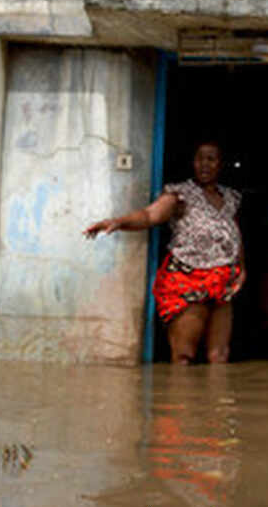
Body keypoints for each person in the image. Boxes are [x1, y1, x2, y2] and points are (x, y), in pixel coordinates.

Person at [84, 141, 245, 364]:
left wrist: (241, 268)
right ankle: (178, 396)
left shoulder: (231, 198)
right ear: (192, 162)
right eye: (200, 158)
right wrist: (118, 222)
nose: (204, 164)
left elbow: (233, 233)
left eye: (211, 159)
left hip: (223, 281)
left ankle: (214, 398)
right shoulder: (180, 194)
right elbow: (150, 216)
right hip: (187, 279)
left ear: (221, 164)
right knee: (183, 357)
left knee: (219, 357)